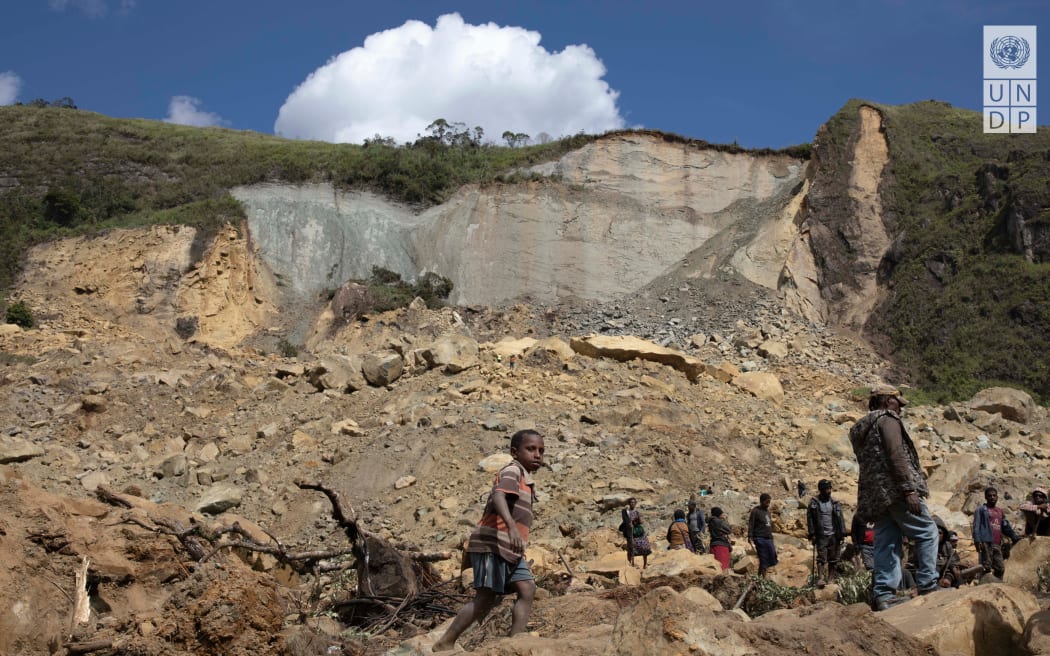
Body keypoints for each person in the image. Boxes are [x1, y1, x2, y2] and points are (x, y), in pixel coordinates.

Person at [434, 429, 545, 651]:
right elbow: (498, 495)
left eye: (541, 450)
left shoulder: (525, 478)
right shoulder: (512, 471)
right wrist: (512, 527)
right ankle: (444, 643)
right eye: (531, 449)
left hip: (510, 549)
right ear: (514, 452)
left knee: (527, 589)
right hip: (492, 545)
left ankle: (515, 644)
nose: (538, 455)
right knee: (486, 597)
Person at [849, 384, 939, 611]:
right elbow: (895, 454)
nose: (901, 408)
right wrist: (909, 489)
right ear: (889, 401)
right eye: (899, 403)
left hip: (876, 495)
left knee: (886, 542)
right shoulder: (888, 420)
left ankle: (884, 596)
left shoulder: (863, 427)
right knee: (928, 532)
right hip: (896, 491)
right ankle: (928, 584)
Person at [807, 479, 847, 586]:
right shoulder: (814, 503)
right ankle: (820, 578)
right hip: (821, 535)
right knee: (821, 557)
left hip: (834, 534)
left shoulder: (834, 503)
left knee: (833, 558)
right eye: (827, 489)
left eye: (830, 488)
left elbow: (840, 518)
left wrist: (842, 533)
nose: (829, 491)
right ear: (821, 490)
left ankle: (831, 578)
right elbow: (810, 519)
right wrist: (812, 534)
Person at [973, 486, 1018, 579]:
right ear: (986, 497)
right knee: (986, 567)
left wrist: (1014, 536)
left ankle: (997, 585)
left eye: (994, 495)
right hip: (986, 542)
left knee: (1000, 568)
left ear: (997, 497)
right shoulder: (981, 509)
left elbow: (1005, 526)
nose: (992, 497)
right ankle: (983, 586)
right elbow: (976, 526)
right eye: (990, 496)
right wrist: (977, 540)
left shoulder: (1000, 511)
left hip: (997, 543)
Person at [748, 493, 778, 577]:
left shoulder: (768, 512)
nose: (768, 504)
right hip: (759, 538)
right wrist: (750, 537)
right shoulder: (755, 511)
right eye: (766, 502)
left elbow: (769, 526)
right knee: (763, 558)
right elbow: (751, 524)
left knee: (772, 557)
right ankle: (762, 578)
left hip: (768, 538)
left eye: (769, 502)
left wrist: (771, 537)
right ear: (761, 501)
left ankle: (760, 577)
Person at [620, 498, 641, 566]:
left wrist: (637, 521)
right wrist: (629, 523)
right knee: (630, 546)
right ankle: (630, 561)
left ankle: (635, 562)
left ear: (635, 504)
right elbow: (625, 520)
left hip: (636, 531)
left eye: (634, 502)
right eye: (631, 502)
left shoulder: (637, 512)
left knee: (637, 546)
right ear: (629, 503)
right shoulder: (625, 511)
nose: (632, 503)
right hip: (629, 531)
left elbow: (639, 522)